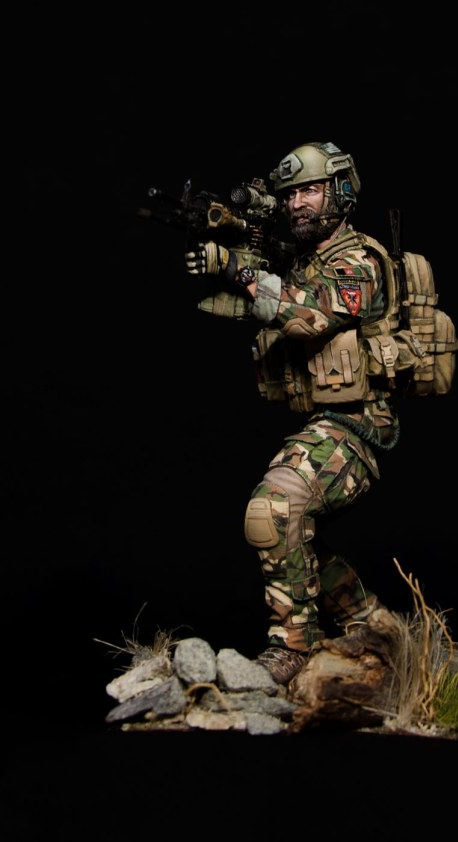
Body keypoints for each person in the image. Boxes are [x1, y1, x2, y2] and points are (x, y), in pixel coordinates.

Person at [185, 141, 400, 685]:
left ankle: (292, 647)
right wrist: (226, 254)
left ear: (341, 192)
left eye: (311, 190)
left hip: (359, 425)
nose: (296, 203)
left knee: (274, 507)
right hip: (326, 422)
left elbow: (309, 317)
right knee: (293, 536)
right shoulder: (305, 259)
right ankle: (372, 624)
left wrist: (237, 271)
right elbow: (249, 294)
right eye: (290, 195)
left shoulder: (360, 261)